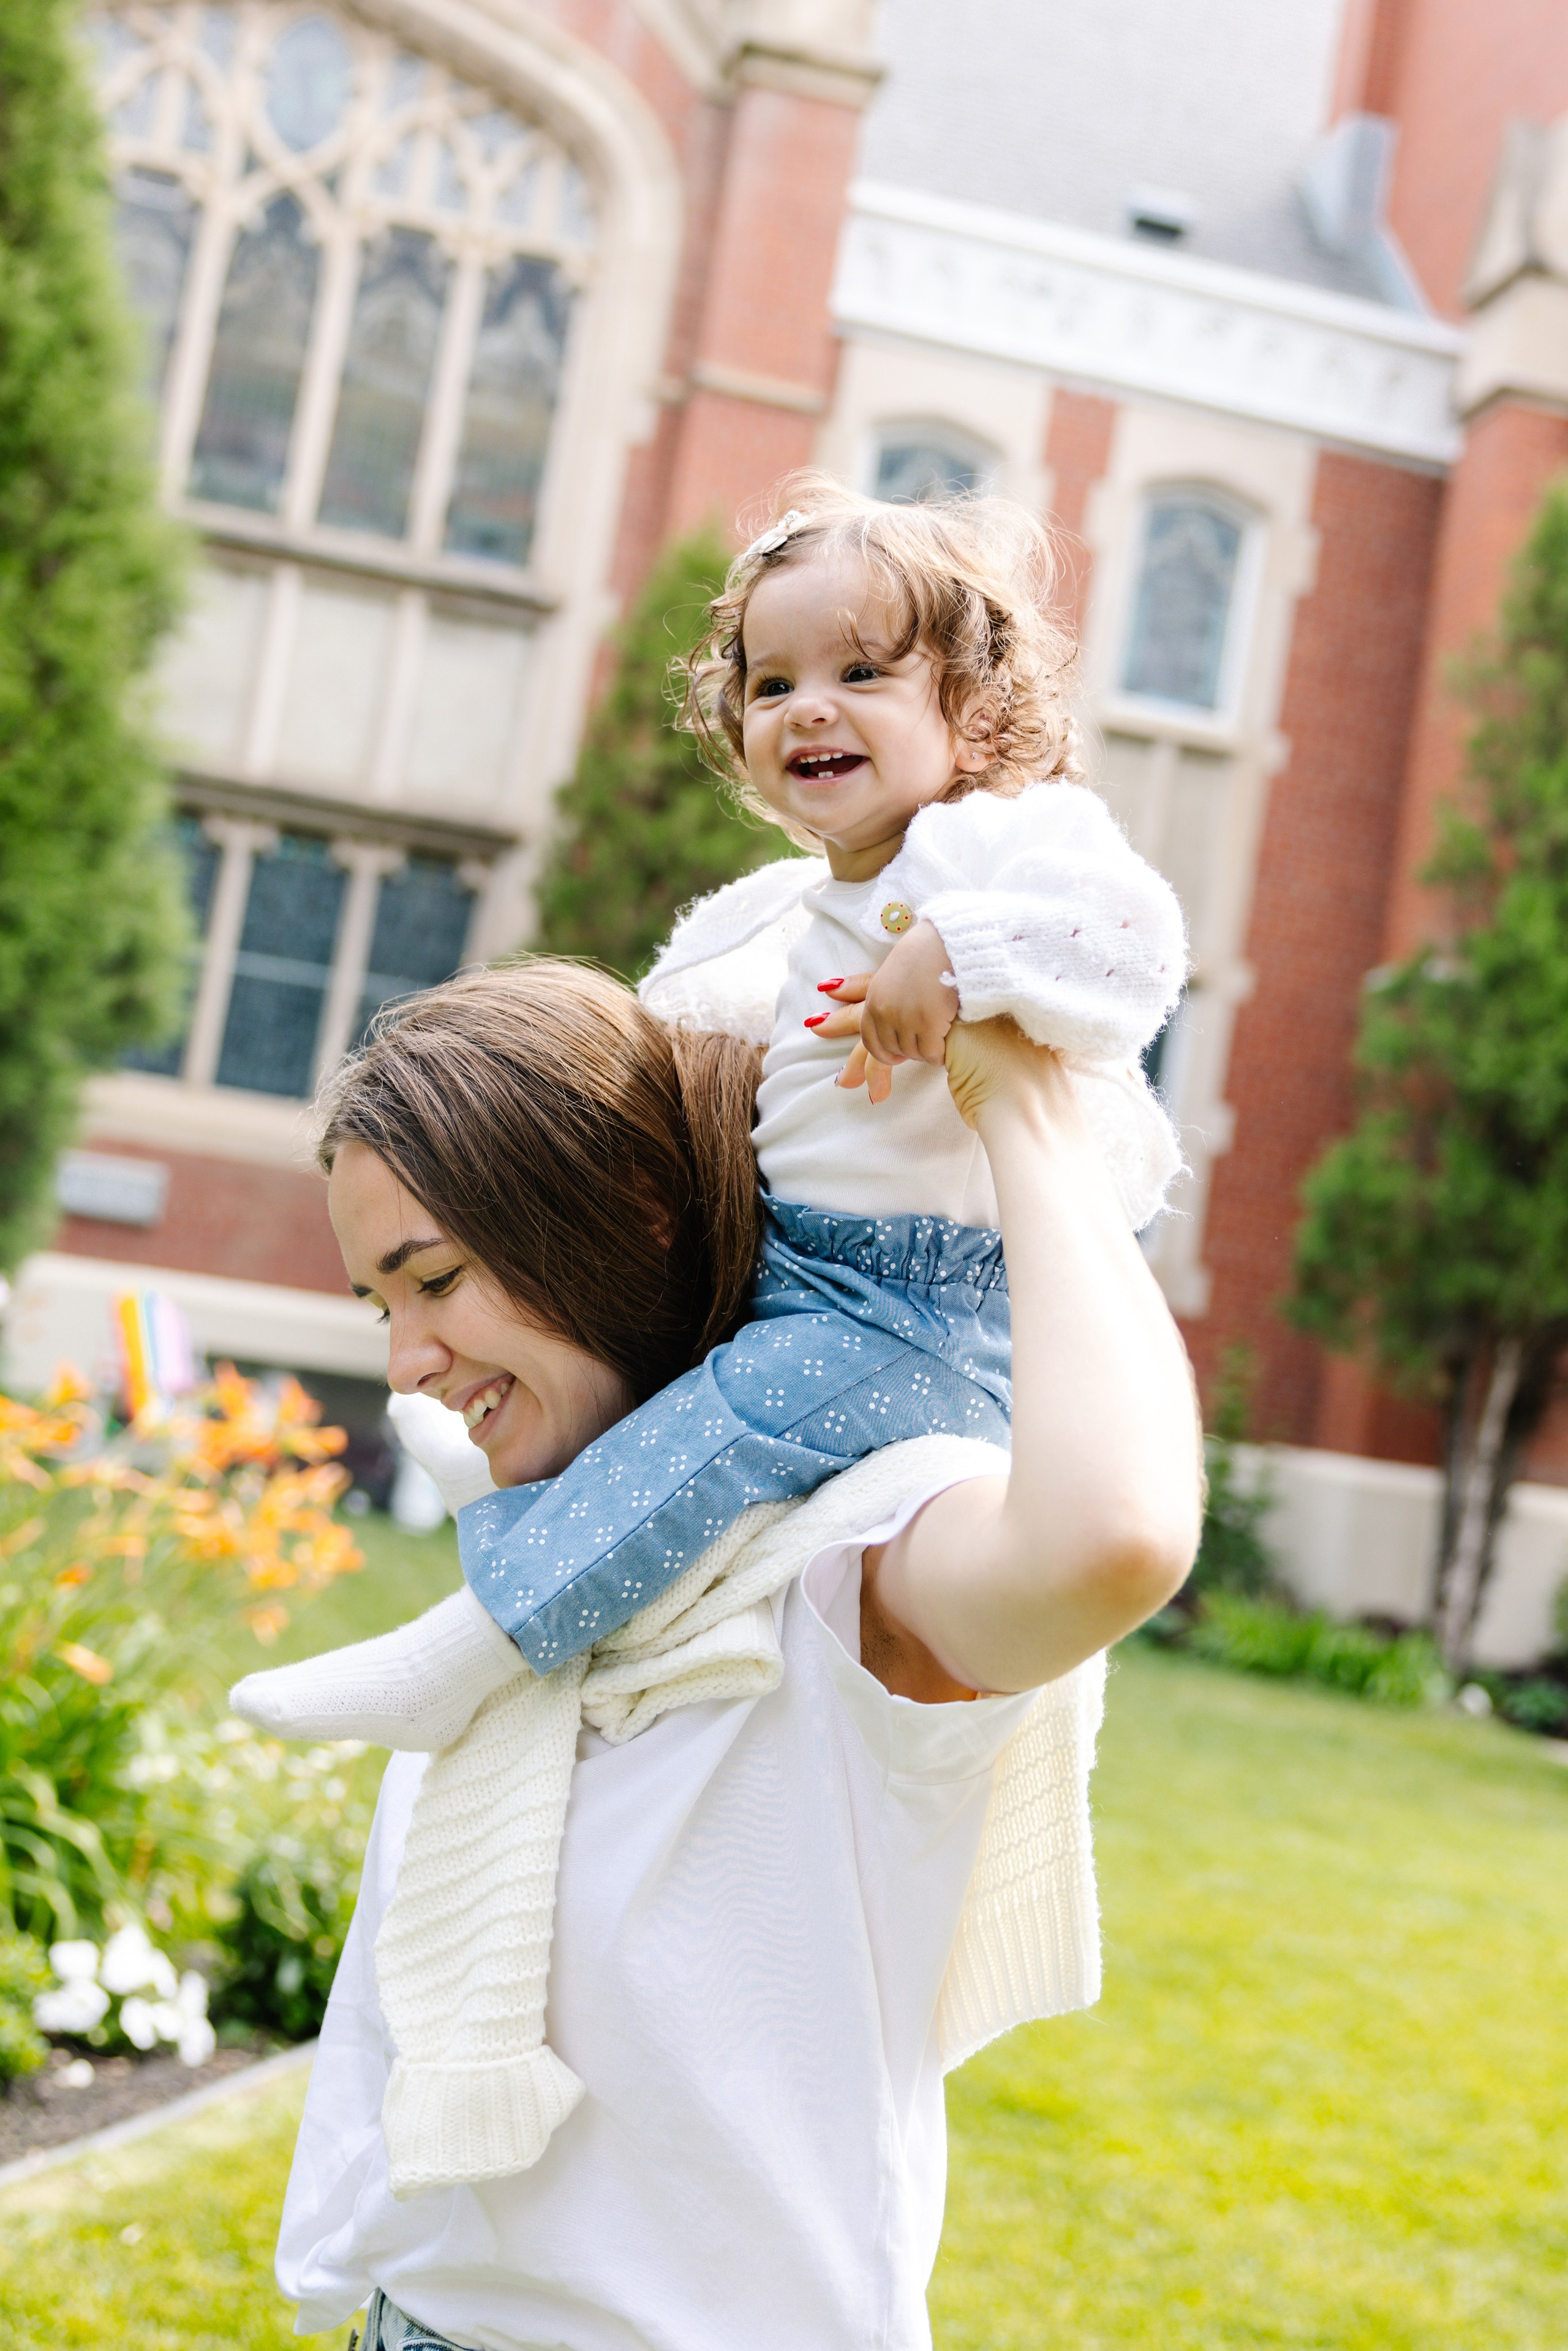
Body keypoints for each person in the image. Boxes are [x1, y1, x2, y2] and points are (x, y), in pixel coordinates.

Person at [275, 975, 1201, 2351]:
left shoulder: (855, 1555)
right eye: (376, 1305)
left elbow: (1110, 1539)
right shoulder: (545, 1569)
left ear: (630, 1216)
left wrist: (1025, 1117)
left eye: (436, 1279)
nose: (407, 1359)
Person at [232, 477, 1186, 1754]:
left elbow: (1133, 940)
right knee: (699, 1415)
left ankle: (464, 1645)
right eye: (772, 681)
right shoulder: (800, 909)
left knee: (731, 1424)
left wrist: (963, 955)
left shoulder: (990, 849)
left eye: (860, 670)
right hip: (814, 1262)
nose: (808, 708)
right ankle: (551, 1500)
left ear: (974, 713)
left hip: (911, 1301)